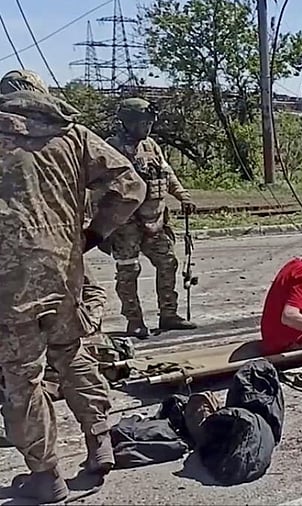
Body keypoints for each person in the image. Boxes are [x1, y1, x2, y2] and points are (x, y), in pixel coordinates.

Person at [0, 69, 146, 502]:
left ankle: (45, 475)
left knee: (22, 377)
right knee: (71, 351)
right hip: (65, 270)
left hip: (9, 282)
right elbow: (130, 186)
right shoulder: (74, 135)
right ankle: (99, 441)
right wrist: (92, 234)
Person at [104, 97, 197, 338]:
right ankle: (134, 320)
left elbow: (167, 174)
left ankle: (169, 315)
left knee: (168, 263)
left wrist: (183, 196)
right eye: (143, 123)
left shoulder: (151, 146)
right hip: (126, 223)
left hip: (155, 220)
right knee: (128, 270)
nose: (148, 128)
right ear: (128, 123)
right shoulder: (110, 148)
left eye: (149, 123)